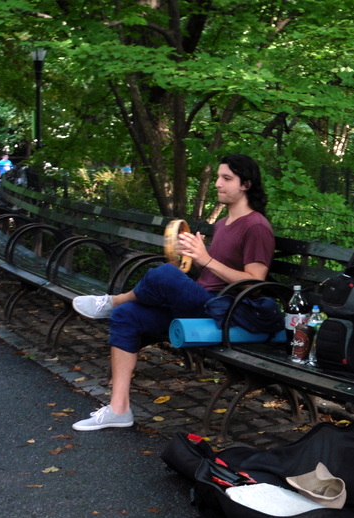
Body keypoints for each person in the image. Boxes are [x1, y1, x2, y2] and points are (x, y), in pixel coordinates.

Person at [71, 154, 275, 431]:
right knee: (128, 315)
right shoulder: (223, 224)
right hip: (202, 305)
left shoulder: (257, 226)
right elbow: (210, 273)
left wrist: (205, 259)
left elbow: (255, 281)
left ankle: (111, 301)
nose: (217, 184)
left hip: (224, 313)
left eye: (227, 178)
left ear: (246, 185)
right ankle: (119, 409)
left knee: (163, 275)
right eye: (217, 177)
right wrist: (189, 259)